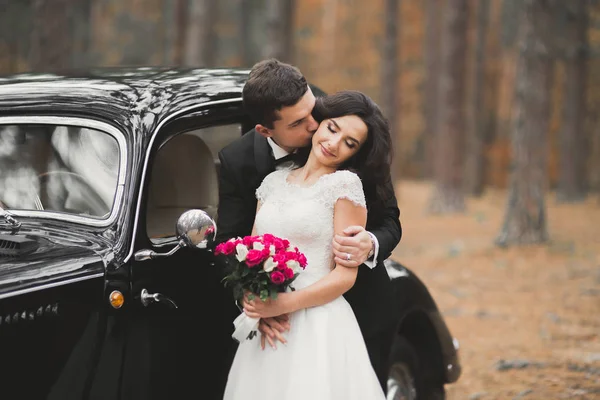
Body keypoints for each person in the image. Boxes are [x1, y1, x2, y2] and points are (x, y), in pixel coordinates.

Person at [215, 59, 401, 394]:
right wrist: (255, 300)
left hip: (345, 312)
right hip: (272, 319)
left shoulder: (345, 123)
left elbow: (389, 220)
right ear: (266, 131)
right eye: (301, 122)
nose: (317, 127)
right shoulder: (253, 170)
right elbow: (235, 243)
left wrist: (368, 243)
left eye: (314, 110)